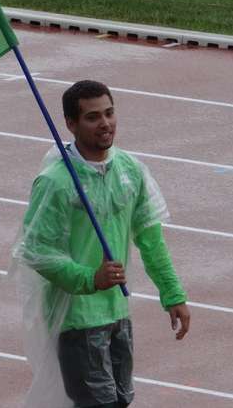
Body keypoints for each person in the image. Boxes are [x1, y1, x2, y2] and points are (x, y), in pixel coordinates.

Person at [13, 80, 190, 408]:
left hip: (118, 313)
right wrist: (89, 278)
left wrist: (172, 294)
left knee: (121, 400)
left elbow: (150, 239)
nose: (105, 123)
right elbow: (37, 251)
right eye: (93, 117)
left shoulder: (130, 170)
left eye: (109, 113)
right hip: (77, 320)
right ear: (71, 124)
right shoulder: (56, 182)